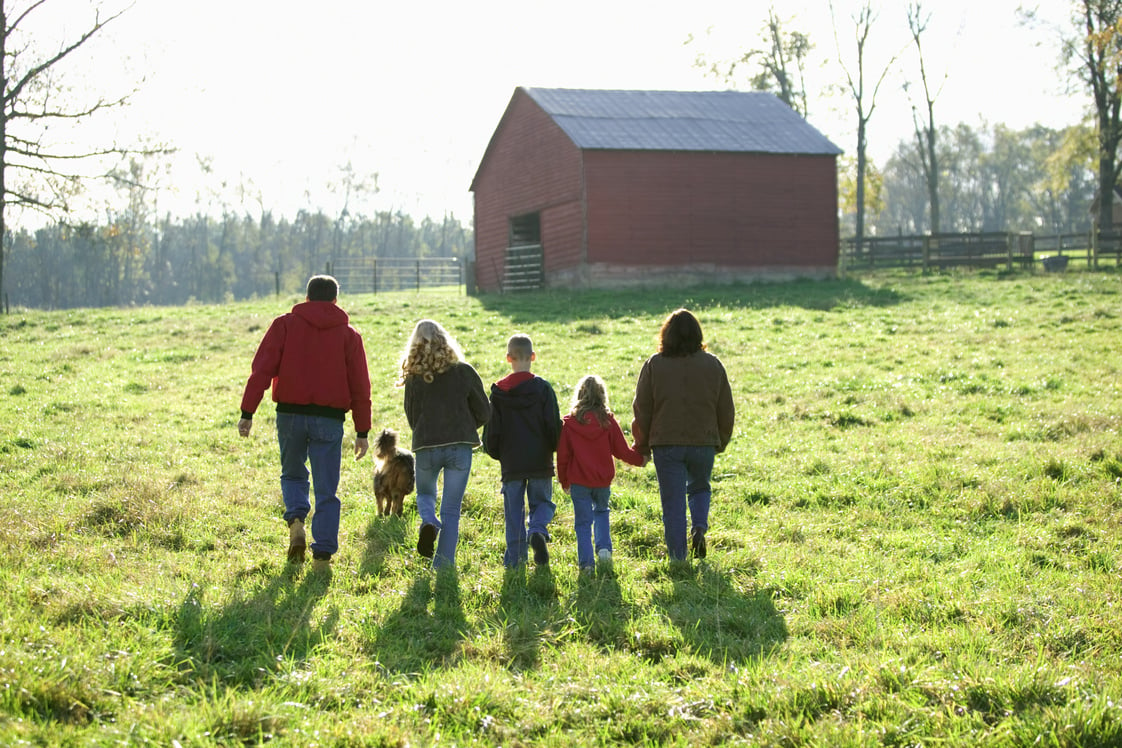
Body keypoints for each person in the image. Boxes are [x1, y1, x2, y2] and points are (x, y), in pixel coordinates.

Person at [238, 275, 371, 575]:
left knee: (293, 473)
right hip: (329, 420)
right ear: (336, 300)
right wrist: (362, 431)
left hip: (290, 415)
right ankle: (322, 556)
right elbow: (361, 387)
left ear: (307, 298)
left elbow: (260, 370)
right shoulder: (350, 336)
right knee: (327, 488)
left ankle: (296, 520)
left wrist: (248, 412)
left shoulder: (284, 325)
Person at [632, 308, 734, 563]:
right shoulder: (713, 365)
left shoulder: (654, 365)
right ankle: (699, 527)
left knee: (673, 503)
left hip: (666, 444)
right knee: (700, 487)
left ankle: (678, 558)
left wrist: (642, 446)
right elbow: (726, 408)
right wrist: (719, 440)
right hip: (704, 441)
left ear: (667, 336)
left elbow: (642, 409)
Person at [398, 319, 490, 570]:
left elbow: (411, 416)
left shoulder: (414, 377)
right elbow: (484, 411)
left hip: (426, 445)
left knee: (426, 494)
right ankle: (443, 565)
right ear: (444, 339)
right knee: (451, 508)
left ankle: (428, 521)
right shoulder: (464, 371)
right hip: (460, 445)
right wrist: (467, 425)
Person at [483, 333, 563, 568]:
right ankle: (537, 529)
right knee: (543, 503)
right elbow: (553, 424)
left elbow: (491, 433)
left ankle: (516, 560)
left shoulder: (498, 393)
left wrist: (498, 453)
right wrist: (555, 448)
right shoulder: (543, 389)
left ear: (508, 358)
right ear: (533, 357)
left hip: (512, 463)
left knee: (513, 514)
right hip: (540, 459)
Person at [556, 374, 646, 574]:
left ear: (579, 395)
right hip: (602, 481)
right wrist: (641, 460)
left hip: (578, 482)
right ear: (602, 396)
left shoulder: (570, 424)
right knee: (602, 512)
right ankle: (604, 549)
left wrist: (564, 481)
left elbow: (562, 456)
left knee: (582, 523)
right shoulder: (608, 422)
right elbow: (622, 451)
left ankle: (586, 563)